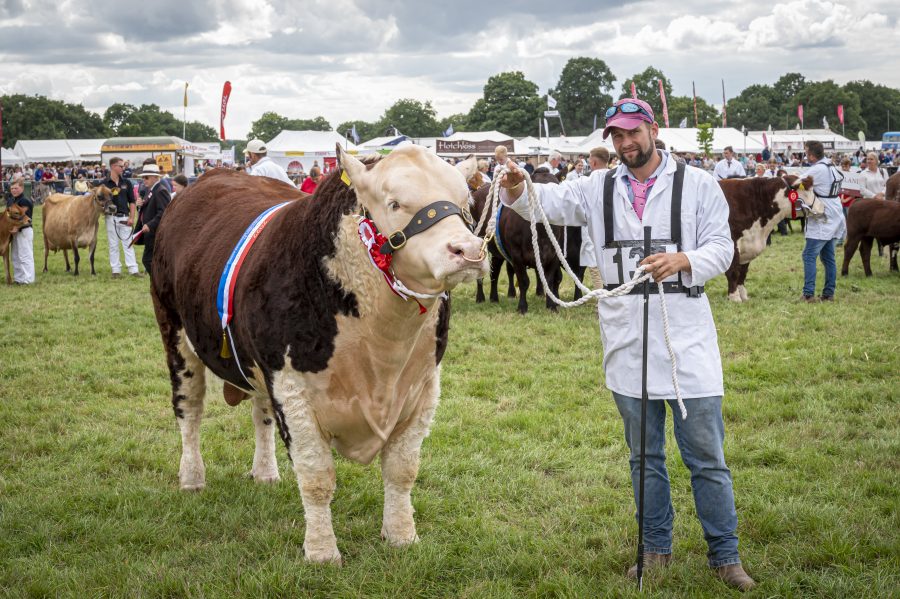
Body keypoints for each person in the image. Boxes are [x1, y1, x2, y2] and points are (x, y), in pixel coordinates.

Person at [498, 98, 754, 592]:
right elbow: (541, 203)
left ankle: (726, 555)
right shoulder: (597, 186)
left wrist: (684, 259)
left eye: (632, 133)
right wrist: (514, 186)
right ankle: (654, 549)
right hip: (626, 336)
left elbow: (722, 248)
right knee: (643, 456)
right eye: (616, 136)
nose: (624, 143)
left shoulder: (699, 185)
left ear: (652, 130)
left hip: (685, 334)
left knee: (706, 455)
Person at [801, 141, 845, 302]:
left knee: (809, 255)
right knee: (828, 258)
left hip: (823, 215)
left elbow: (797, 183)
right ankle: (828, 294)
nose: (805, 155)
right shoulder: (830, 165)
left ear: (811, 154)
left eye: (806, 152)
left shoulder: (817, 169)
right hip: (835, 211)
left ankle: (808, 294)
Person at [101, 157, 141, 278]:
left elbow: (132, 202)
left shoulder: (126, 183)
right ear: (113, 166)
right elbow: (98, 202)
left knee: (128, 243)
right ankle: (116, 270)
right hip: (110, 218)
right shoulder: (104, 184)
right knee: (113, 245)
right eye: (121, 166)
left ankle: (133, 270)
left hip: (125, 217)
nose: (123, 168)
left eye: (123, 166)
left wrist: (131, 218)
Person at [134, 164, 172, 276]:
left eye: (146, 177)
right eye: (143, 177)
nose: (144, 180)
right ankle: (159, 282)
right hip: (150, 232)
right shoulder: (150, 190)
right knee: (149, 260)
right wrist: (139, 205)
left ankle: (161, 281)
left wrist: (150, 225)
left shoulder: (160, 190)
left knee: (148, 260)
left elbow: (164, 212)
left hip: (156, 232)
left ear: (155, 177)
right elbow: (147, 209)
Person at [4, 176, 35, 284]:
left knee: (25, 255)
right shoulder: (11, 200)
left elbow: (27, 220)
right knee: (15, 255)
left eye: (16, 188)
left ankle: (28, 280)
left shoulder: (25, 201)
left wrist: (17, 228)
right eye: (12, 188)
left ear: (22, 188)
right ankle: (19, 279)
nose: (13, 190)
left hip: (24, 231)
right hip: (13, 232)